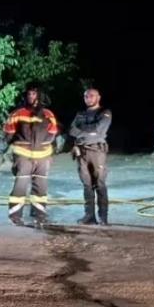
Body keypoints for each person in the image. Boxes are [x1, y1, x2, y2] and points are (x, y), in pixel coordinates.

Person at [3, 83, 59, 227]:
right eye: (28, 94)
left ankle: (40, 215)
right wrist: (16, 147)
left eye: (34, 94)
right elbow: (8, 133)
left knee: (41, 187)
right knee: (20, 186)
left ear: (39, 96)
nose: (31, 96)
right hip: (23, 156)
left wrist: (45, 149)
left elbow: (53, 133)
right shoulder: (17, 114)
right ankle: (15, 216)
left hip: (43, 157)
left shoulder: (48, 114)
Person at [70, 87, 112, 225]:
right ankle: (89, 216)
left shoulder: (105, 112)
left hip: (97, 151)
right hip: (81, 152)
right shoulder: (80, 113)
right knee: (87, 185)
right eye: (86, 96)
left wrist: (81, 130)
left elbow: (99, 130)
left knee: (100, 184)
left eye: (91, 96)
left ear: (98, 97)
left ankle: (103, 217)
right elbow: (72, 130)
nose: (88, 98)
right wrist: (88, 131)